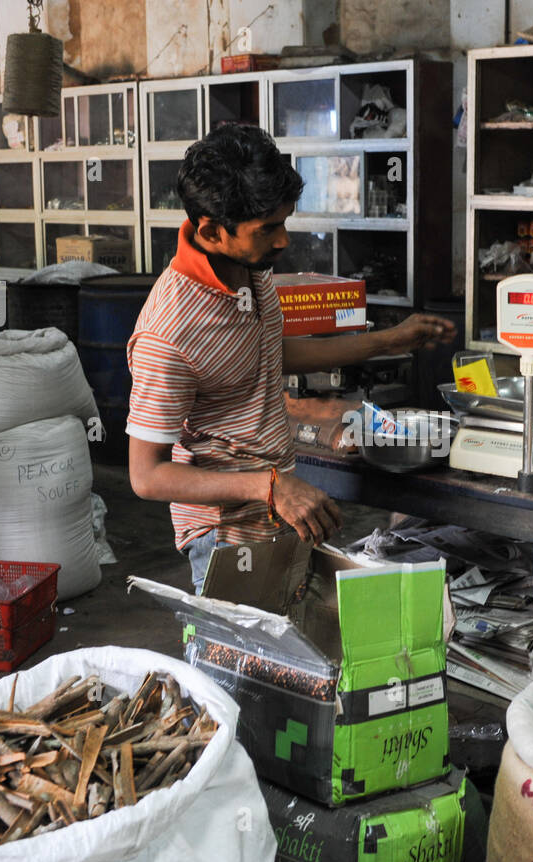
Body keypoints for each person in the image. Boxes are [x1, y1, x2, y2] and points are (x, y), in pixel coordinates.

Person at [126, 124, 455, 593]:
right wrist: (270, 486)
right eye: (268, 229)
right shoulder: (170, 332)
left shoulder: (247, 266)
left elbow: (267, 351)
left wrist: (386, 341)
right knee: (235, 660)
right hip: (225, 535)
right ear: (210, 230)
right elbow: (146, 475)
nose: (283, 241)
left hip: (275, 507)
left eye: (284, 221)